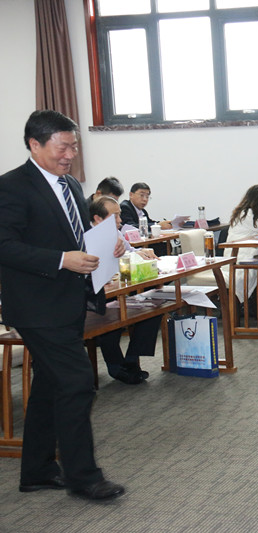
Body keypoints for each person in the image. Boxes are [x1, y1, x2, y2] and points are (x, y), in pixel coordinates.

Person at [0, 110, 126, 500]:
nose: (71, 154)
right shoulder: (11, 187)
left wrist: (109, 243)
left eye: (74, 146)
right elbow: (5, 246)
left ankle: (37, 471)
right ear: (34, 144)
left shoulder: (70, 184)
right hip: (35, 305)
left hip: (68, 301)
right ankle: (83, 477)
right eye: (63, 147)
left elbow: (75, 234)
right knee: (76, 383)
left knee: (49, 386)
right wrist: (60, 259)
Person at [89, 196, 161, 385]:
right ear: (98, 218)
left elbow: (129, 251)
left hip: (121, 288)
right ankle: (115, 366)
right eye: (115, 216)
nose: (120, 221)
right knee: (110, 314)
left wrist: (140, 252)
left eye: (120, 215)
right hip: (96, 295)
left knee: (154, 306)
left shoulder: (116, 234)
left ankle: (131, 358)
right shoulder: (86, 237)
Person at [223, 184, 258, 304]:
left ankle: (255, 305)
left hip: (232, 256)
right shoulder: (249, 214)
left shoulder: (241, 212)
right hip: (239, 256)